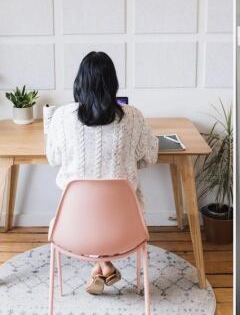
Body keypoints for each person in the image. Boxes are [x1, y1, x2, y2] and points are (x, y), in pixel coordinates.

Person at [46, 51, 158, 295]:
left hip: (74, 227)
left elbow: (53, 158)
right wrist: (123, 158)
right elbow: (150, 156)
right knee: (112, 210)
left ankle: (102, 267)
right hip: (126, 227)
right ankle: (104, 265)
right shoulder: (133, 116)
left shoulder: (62, 116)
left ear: (79, 82)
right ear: (113, 83)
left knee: (90, 212)